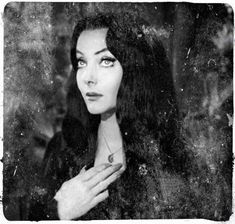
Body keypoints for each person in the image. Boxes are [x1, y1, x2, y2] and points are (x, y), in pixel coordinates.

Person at [29, 12, 189, 220]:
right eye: (81, 62)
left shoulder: (171, 157)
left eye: (105, 60)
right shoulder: (61, 150)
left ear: (135, 69)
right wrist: (59, 211)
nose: (88, 77)